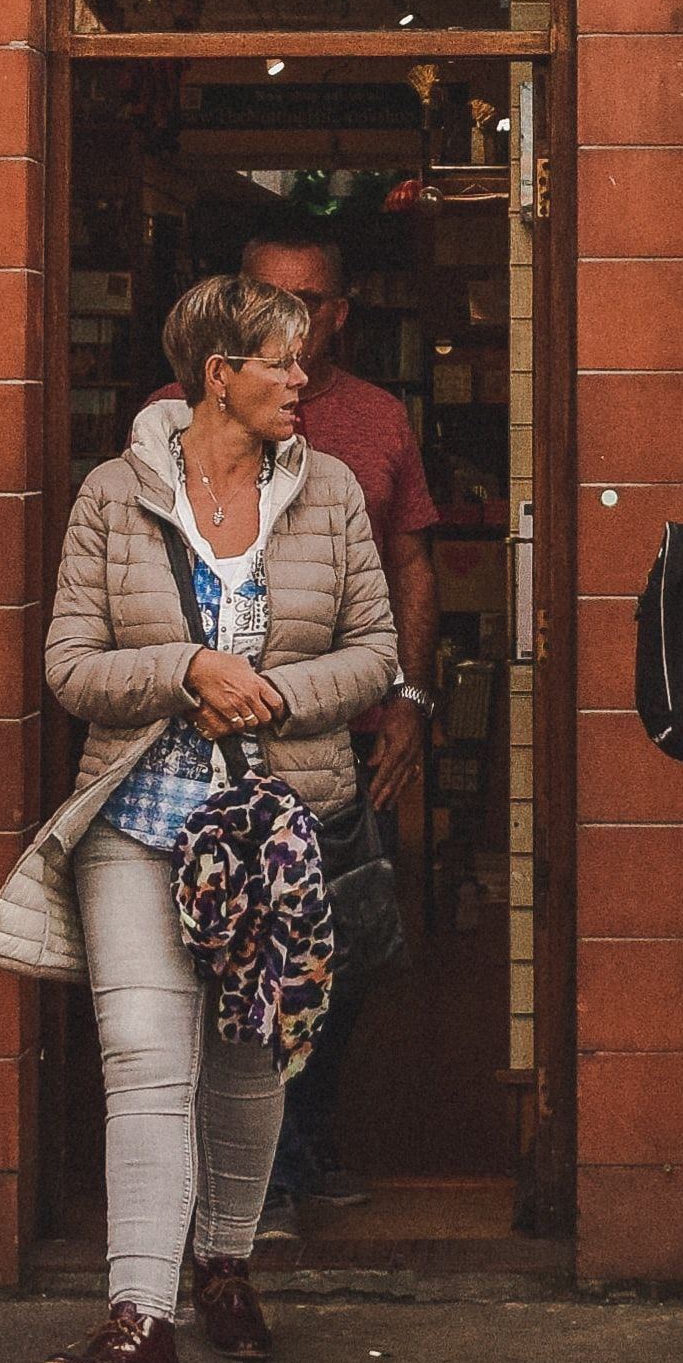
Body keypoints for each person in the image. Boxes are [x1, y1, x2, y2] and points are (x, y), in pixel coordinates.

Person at [25, 271, 399, 1363]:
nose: (301, 378)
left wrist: (275, 695)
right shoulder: (111, 493)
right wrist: (182, 668)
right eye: (280, 361)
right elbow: (70, 666)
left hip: (275, 827)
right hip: (138, 818)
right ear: (216, 374)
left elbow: (377, 650)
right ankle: (139, 1316)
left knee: (249, 1056)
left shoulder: (328, 491)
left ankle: (224, 1262)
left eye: (303, 358)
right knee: (144, 1058)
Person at [240, 222, 441, 1215]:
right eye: (265, 295)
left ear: (340, 314)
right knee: (242, 955)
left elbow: (411, 564)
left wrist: (407, 698)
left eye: (307, 300)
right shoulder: (171, 418)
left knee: (342, 951)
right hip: (226, 748)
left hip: (348, 742)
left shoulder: (375, 418)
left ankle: (305, 1141)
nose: (287, 318)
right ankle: (255, 1169)